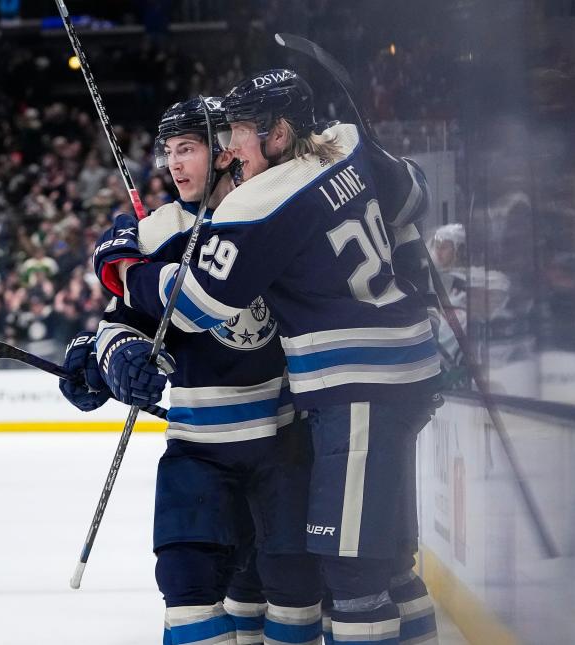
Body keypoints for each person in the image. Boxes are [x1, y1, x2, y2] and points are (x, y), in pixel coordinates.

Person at [102, 71, 441, 645]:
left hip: (349, 391)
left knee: (352, 574)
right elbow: (412, 195)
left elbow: (197, 302)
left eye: (230, 135)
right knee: (372, 565)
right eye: (171, 151)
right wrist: (111, 352)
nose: (231, 148)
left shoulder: (262, 203)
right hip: (392, 373)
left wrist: (126, 269)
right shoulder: (347, 141)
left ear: (278, 133)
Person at [61, 97, 323, 645]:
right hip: (198, 448)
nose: (174, 164)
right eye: (169, 152)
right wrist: (116, 357)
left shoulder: (267, 213)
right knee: (185, 582)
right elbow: (117, 322)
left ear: (224, 150)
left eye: (189, 149)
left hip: (282, 444)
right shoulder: (157, 232)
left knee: (291, 587)